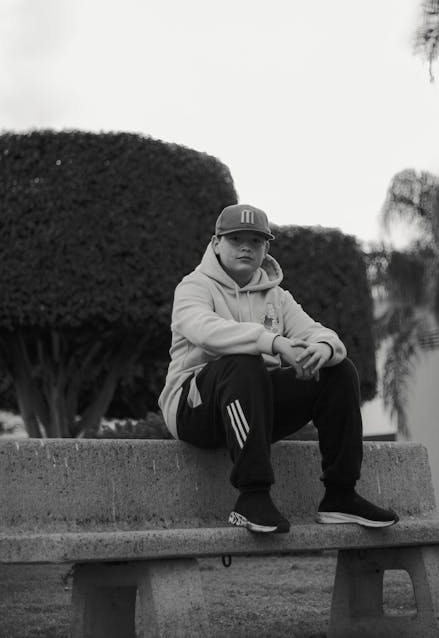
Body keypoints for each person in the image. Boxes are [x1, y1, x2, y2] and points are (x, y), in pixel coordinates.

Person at [159, 204, 398, 534]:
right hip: (195, 408)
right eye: (235, 239)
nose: (246, 247)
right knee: (243, 362)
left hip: (252, 405)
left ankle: (340, 496)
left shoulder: (277, 296)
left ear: (266, 248)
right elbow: (204, 330)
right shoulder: (193, 287)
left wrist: (322, 348)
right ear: (216, 243)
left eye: (255, 241)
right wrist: (271, 342)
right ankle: (252, 497)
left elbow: (318, 332)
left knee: (338, 371)